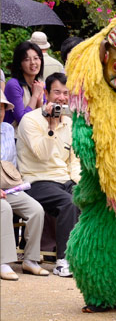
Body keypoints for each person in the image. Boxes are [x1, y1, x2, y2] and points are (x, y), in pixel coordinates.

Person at [16, 73, 80, 277]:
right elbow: (42, 154)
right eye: (57, 92)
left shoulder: (69, 123)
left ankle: (89, 258)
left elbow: (74, 160)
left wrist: (79, 184)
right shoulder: (30, 120)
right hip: (37, 180)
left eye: (66, 93)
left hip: (64, 179)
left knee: (88, 197)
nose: (62, 97)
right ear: (45, 93)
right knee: (68, 203)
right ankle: (63, 260)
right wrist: (51, 127)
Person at [1, 90, 47, 280]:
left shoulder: (8, 129)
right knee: (3, 208)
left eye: (2, 107)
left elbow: (12, 161)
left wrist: (18, 184)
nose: (0, 111)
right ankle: (4, 262)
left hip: (8, 186)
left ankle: (30, 260)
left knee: (36, 209)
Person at [4, 41, 45, 126]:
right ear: (19, 64)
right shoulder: (13, 85)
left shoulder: (39, 85)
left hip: (34, 134)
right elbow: (22, 120)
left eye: (36, 58)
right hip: (14, 137)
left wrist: (40, 102)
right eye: (27, 59)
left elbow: (44, 117)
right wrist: (35, 96)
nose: (33, 62)